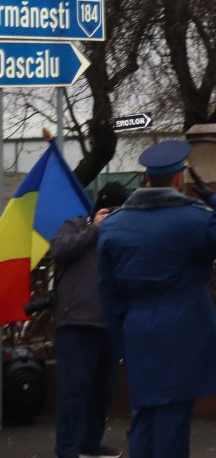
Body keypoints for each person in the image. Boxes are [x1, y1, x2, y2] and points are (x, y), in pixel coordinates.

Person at [96, 140, 216, 458]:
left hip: (137, 327)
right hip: (184, 326)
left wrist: (122, 338)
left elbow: (107, 290)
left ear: (146, 179)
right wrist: (215, 198)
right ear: (178, 179)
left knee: (144, 414)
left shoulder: (114, 225)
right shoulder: (195, 219)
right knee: (173, 416)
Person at [48, 181, 130, 458]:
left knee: (103, 390)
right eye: (108, 209)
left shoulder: (124, 234)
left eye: (119, 210)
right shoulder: (75, 226)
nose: (113, 215)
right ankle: (68, 449)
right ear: (97, 210)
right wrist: (95, 229)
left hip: (110, 324)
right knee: (74, 390)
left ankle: (91, 442)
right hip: (76, 323)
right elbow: (58, 249)